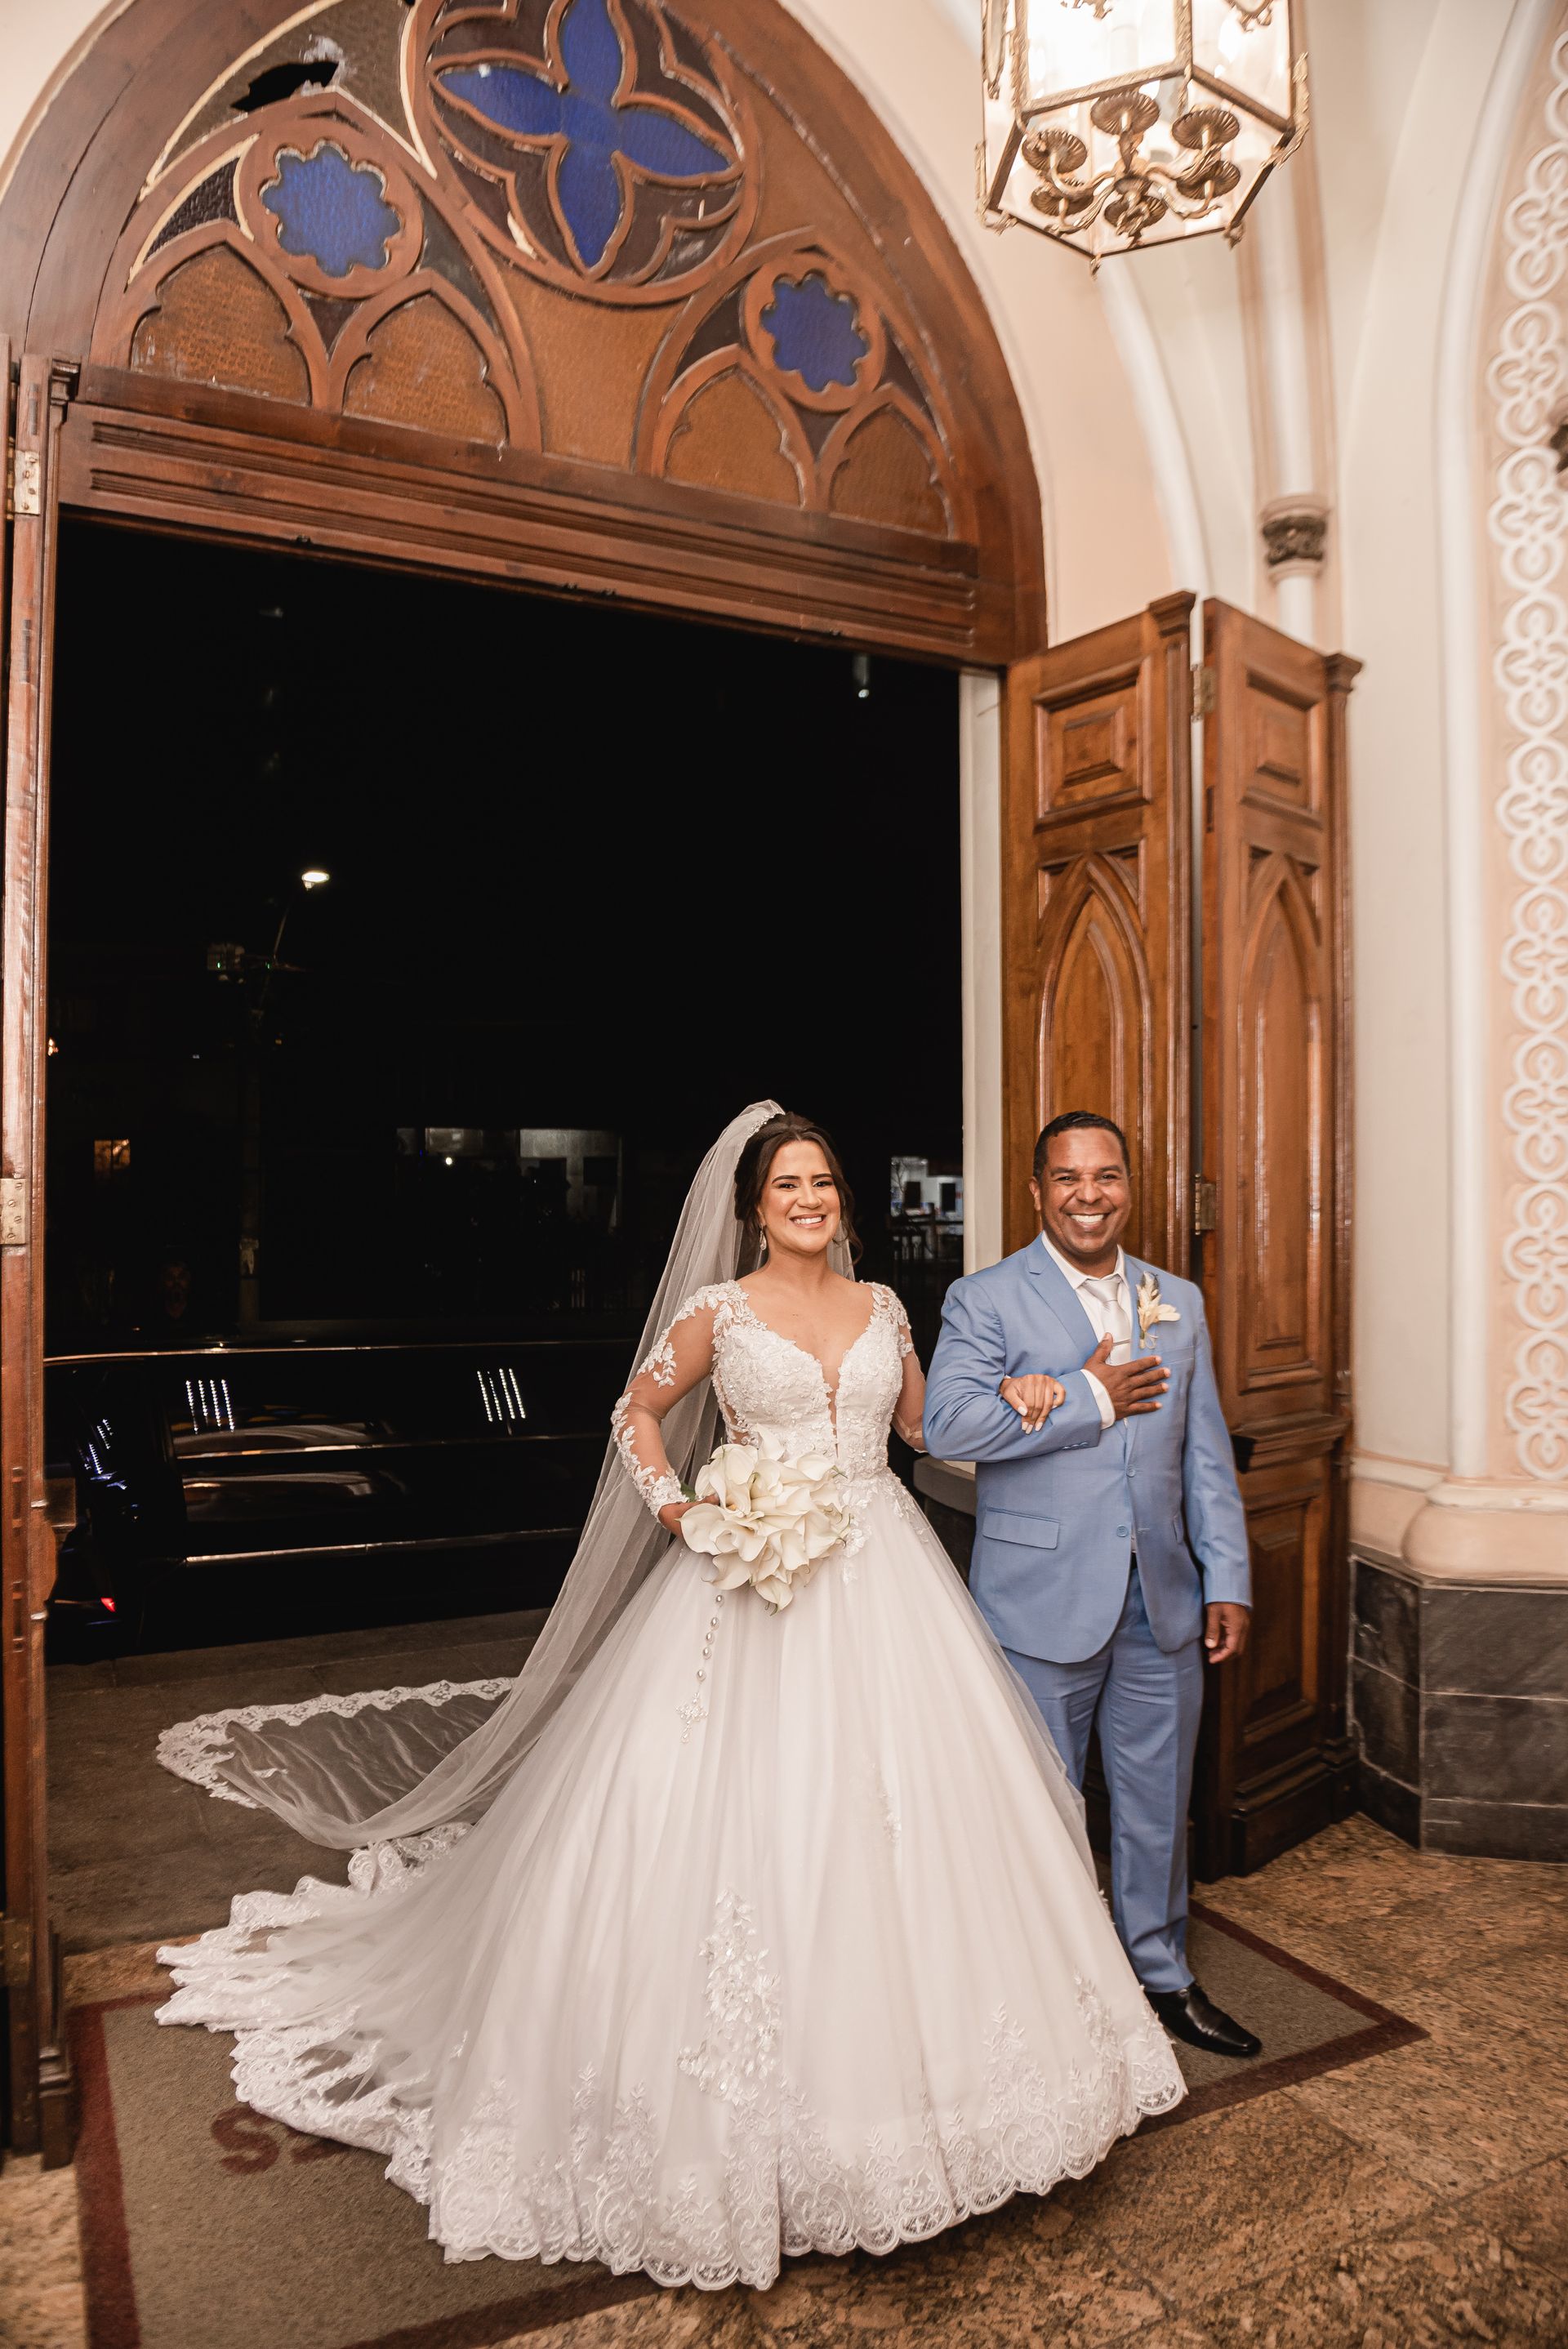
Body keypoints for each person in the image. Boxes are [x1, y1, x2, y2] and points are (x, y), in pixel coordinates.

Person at [156, 1104, 1182, 2292]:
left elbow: (924, 1430)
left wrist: (1053, 1398)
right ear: (754, 1205)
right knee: (738, 1829)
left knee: (915, 1823)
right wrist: (686, 1509)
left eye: (824, 1182)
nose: (809, 1199)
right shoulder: (717, 1313)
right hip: (752, 1585)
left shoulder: (888, 1309)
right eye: (788, 1184)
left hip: (887, 1576)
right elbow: (635, 1416)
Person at [924, 1111, 1260, 2061]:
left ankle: (1161, 1971)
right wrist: (1086, 1391)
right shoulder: (985, 1299)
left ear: (1128, 1185)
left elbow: (1202, 1455)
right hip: (1037, 1598)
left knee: (1161, 1798)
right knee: (1043, 1803)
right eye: (1067, 1177)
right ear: (1037, 1191)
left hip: (1163, 1597)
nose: (1088, 1193)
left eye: (1106, 1175)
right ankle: (1054, 1984)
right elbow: (947, 1424)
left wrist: (1225, 1573)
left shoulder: (1177, 1299)